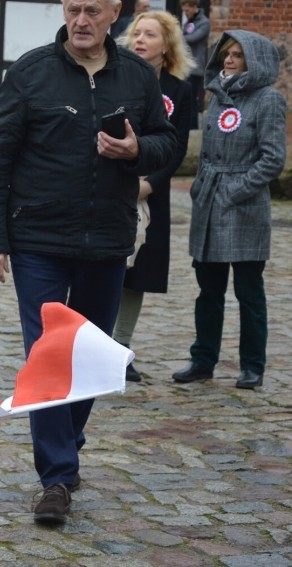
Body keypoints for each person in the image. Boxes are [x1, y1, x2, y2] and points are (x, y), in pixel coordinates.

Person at [0, 0, 177, 525]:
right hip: (37, 238)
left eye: (93, 10)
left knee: (86, 360)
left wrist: (136, 149)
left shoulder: (136, 75)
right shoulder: (31, 71)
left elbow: (168, 144)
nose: (81, 19)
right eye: (73, 8)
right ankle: (57, 477)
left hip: (107, 242)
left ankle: (65, 442)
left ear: (115, 13)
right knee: (46, 356)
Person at [172, 31, 287, 390]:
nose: (229, 60)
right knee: (208, 291)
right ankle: (203, 359)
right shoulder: (218, 95)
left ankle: (253, 365)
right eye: (226, 54)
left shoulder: (268, 100)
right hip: (208, 205)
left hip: (244, 207)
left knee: (249, 291)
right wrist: (200, 186)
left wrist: (235, 190)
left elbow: (273, 159)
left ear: (255, 61)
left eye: (238, 55)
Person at [113, 10, 195, 382]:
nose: (140, 40)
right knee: (103, 270)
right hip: (112, 187)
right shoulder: (116, 77)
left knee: (137, 276)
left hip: (152, 191)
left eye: (150, 35)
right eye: (136, 33)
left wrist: (150, 184)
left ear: (167, 46)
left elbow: (176, 148)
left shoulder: (180, 90)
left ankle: (120, 350)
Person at [180, 0, 210, 129]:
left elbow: (191, 39)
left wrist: (174, 37)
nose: (185, 13)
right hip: (185, 66)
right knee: (184, 98)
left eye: (187, 10)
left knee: (193, 100)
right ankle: (184, 125)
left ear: (194, 7)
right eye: (183, 11)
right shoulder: (189, 22)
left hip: (195, 68)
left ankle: (192, 128)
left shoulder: (204, 22)